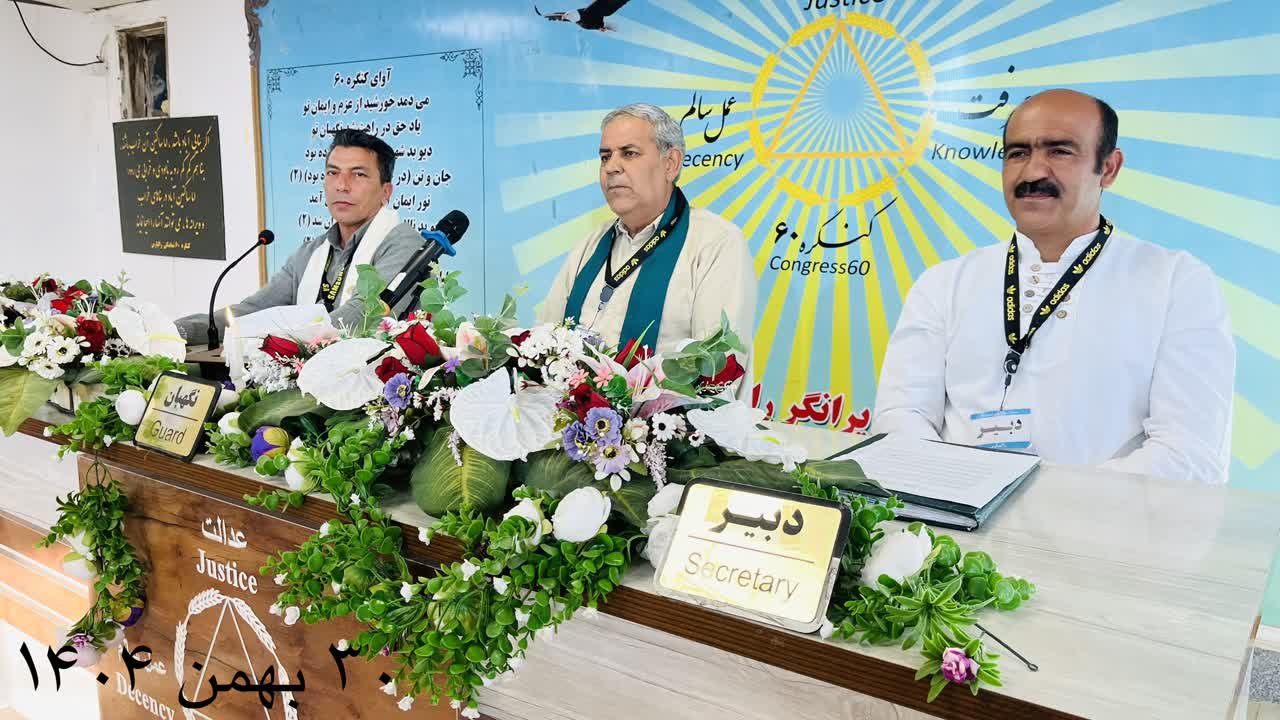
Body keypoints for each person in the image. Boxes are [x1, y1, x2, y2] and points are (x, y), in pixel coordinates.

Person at [872, 89, 1234, 484]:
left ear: (1108, 168)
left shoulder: (1176, 283)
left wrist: (1041, 503)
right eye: (1017, 153)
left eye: (1059, 151)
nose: (1032, 173)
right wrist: (960, 493)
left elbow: (1190, 453)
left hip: (1102, 521)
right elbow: (901, 415)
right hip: (953, 515)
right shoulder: (945, 282)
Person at [538, 103, 756, 383]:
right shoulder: (589, 246)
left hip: (665, 411)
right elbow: (545, 340)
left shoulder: (716, 243)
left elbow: (716, 369)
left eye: (629, 153)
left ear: (670, 163)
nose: (611, 167)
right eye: (605, 156)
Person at [177, 129, 423, 341]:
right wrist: (178, 332)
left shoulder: (406, 245)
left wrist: (279, 342)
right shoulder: (311, 252)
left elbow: (361, 315)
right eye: (333, 172)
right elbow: (253, 310)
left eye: (358, 174)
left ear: (385, 192)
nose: (342, 185)